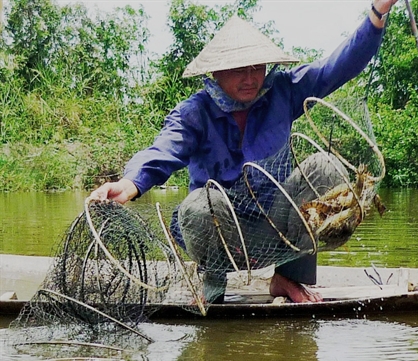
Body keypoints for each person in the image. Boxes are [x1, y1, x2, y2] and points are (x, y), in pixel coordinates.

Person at [90, 0, 398, 303]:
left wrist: (377, 12)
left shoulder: (283, 90)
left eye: (256, 67)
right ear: (216, 73)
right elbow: (163, 150)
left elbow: (338, 66)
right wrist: (130, 184)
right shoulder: (194, 112)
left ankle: (288, 278)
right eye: (238, 69)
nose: (250, 78)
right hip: (221, 231)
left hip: (275, 221)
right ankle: (212, 286)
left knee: (325, 168)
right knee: (197, 206)